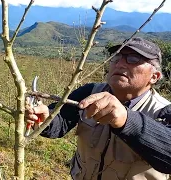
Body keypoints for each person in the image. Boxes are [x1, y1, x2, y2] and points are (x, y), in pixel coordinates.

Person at [26, 37, 171, 180]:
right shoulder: (90, 92)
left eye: (133, 59)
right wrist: (46, 119)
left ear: (154, 77)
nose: (120, 64)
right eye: (116, 57)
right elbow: (61, 122)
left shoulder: (163, 111)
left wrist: (127, 120)